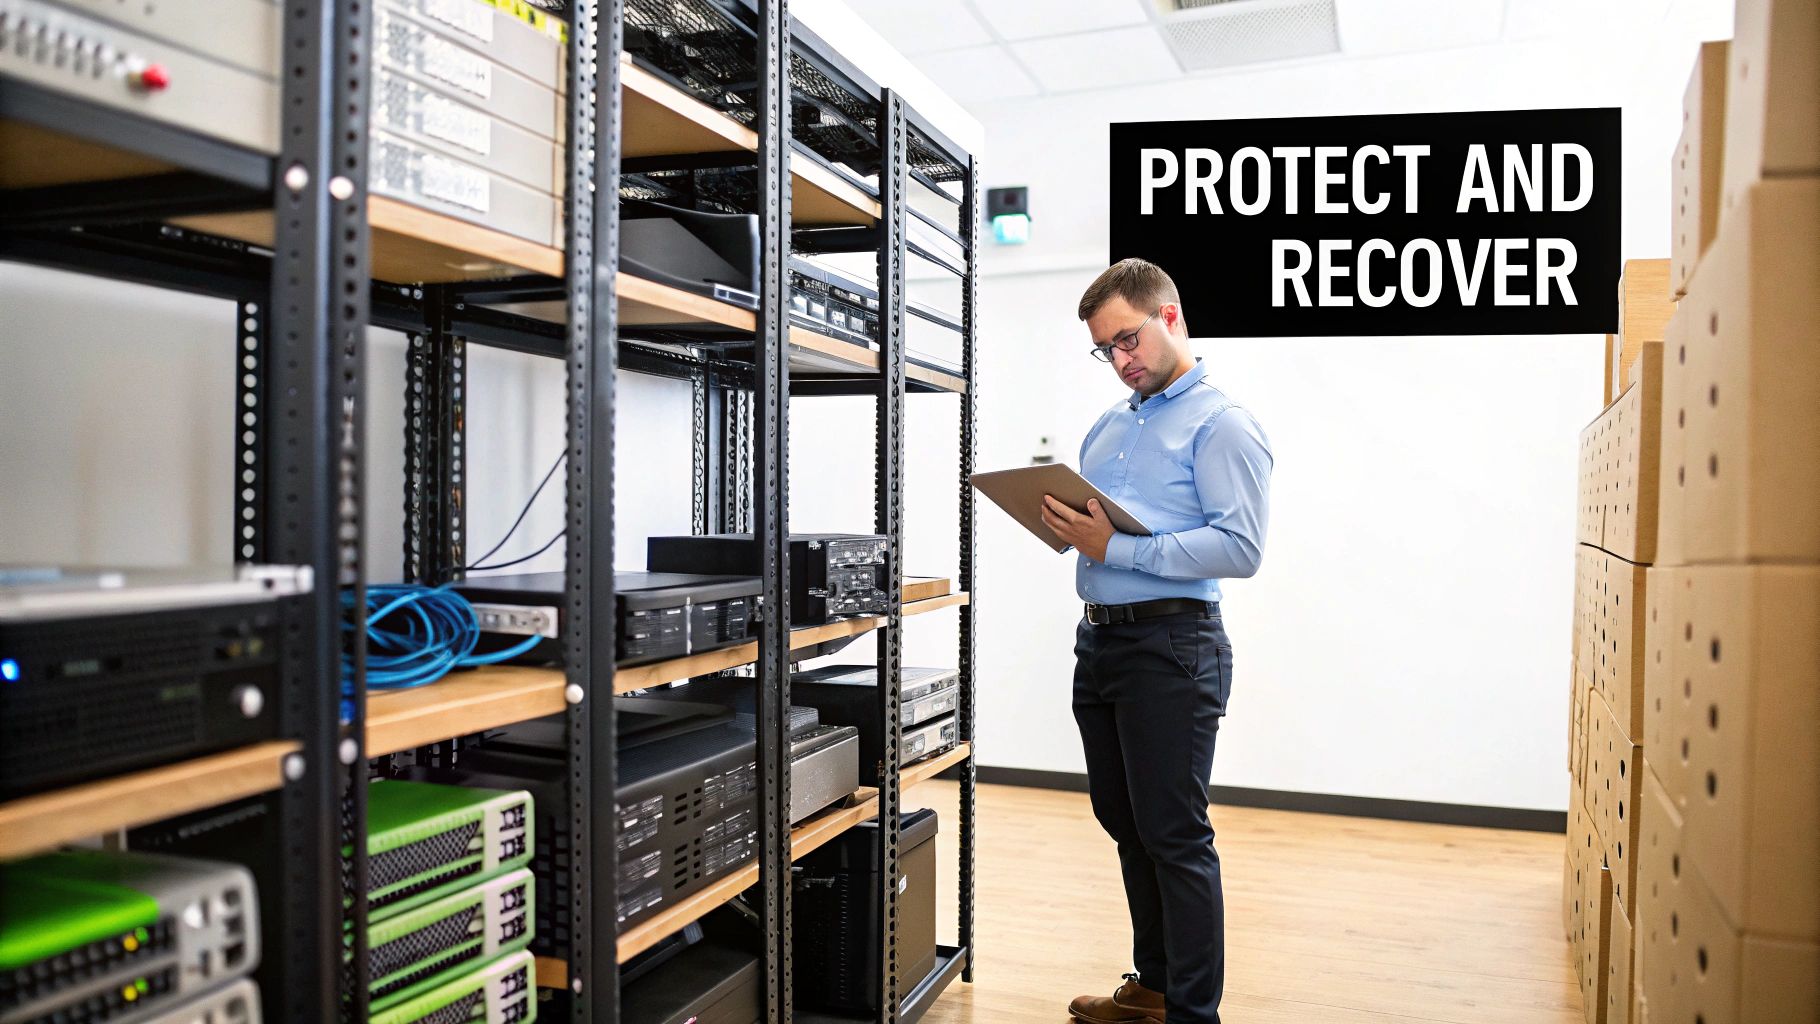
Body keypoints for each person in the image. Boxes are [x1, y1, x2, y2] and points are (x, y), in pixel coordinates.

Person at [1040, 258, 1273, 1024]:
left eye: (1128, 340)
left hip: (1174, 647)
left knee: (1175, 835)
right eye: (1106, 350)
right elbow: (1103, 531)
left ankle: (1194, 1014)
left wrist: (1119, 550)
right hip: (1101, 646)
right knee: (1127, 824)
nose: (1121, 360)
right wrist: (1066, 525)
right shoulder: (1110, 426)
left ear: (1169, 315)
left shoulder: (1223, 423)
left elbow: (1239, 549)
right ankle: (1155, 986)